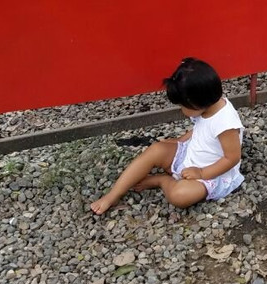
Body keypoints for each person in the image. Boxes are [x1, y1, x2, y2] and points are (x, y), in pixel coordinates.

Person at [90, 58, 244, 214]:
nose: (182, 110)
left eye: (182, 106)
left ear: (196, 102)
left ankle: (162, 180)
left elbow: (232, 158)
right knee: (157, 149)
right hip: (189, 157)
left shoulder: (226, 124)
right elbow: (201, 130)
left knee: (180, 196)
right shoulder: (207, 106)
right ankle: (113, 195)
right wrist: (178, 142)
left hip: (212, 174)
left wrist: (201, 173)